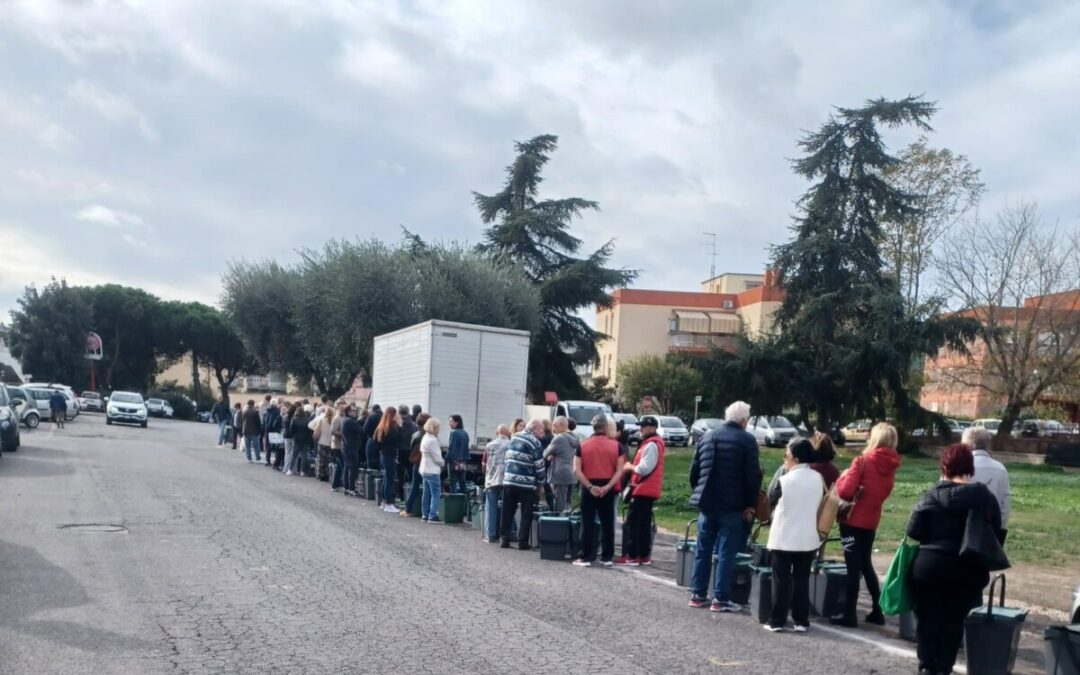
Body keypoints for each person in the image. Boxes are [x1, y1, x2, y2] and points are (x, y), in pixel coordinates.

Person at [907, 444, 1003, 675]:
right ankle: (944, 667)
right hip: (967, 567)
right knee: (954, 620)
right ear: (970, 468)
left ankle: (927, 665)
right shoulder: (985, 497)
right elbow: (996, 533)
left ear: (944, 467)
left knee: (928, 618)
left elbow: (914, 531)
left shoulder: (931, 494)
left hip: (930, 564)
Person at [688, 401, 761, 612]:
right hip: (733, 504)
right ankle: (720, 598)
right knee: (726, 552)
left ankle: (698, 593)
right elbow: (752, 476)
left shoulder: (707, 436)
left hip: (707, 502)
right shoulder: (747, 441)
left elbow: (695, 470)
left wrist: (699, 491)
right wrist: (750, 504)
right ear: (744, 420)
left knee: (703, 549)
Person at [829, 422, 901, 627]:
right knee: (866, 564)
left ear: (874, 439)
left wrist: (843, 477)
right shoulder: (891, 466)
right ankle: (877, 610)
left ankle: (849, 613)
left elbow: (844, 492)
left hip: (852, 520)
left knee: (853, 566)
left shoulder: (862, 461)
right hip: (871, 520)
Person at [764, 438, 826, 633]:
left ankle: (777, 619)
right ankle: (801, 620)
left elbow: (770, 499)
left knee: (781, 580)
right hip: (808, 537)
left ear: (796, 459)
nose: (785, 459)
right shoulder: (817, 477)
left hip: (784, 536)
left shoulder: (784, 479)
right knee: (801, 580)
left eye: (787, 455)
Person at [572, 415, 626, 567]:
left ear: (593, 427)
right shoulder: (616, 446)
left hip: (588, 486)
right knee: (607, 523)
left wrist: (589, 486)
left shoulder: (582, 445)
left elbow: (576, 470)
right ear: (606, 427)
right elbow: (619, 470)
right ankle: (607, 557)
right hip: (607, 486)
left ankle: (585, 555)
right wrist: (608, 486)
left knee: (587, 522)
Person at [615, 415, 665, 567]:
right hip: (648, 489)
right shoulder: (653, 443)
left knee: (633, 523)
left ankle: (632, 555)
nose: (641, 429)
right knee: (643, 524)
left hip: (643, 488)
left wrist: (630, 467)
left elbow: (644, 469)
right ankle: (643, 555)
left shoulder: (650, 445)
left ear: (652, 428)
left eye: (643, 426)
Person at [500, 418, 546, 550]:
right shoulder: (535, 442)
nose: (542, 432)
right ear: (535, 428)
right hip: (526, 483)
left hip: (509, 480)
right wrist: (541, 483)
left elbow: (506, 458)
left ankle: (505, 538)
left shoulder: (513, 438)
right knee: (527, 512)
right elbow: (539, 465)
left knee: (507, 510)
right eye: (541, 429)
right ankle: (522, 541)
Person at [963, 426, 1012, 538]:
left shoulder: (958, 465)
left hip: (961, 529)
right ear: (987, 444)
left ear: (966, 445)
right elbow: (1005, 503)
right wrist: (1000, 528)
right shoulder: (1000, 468)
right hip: (991, 529)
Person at [482, 424, 512, 541]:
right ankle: (508, 533)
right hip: (507, 479)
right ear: (508, 433)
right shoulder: (511, 444)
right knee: (507, 508)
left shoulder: (489, 445)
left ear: (497, 432)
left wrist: (486, 474)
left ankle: (491, 535)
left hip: (491, 479)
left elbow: (484, 463)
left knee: (491, 507)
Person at [543, 416, 578, 512]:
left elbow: (545, 453)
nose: (553, 429)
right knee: (567, 503)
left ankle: (558, 525)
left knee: (559, 504)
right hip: (572, 473)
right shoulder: (575, 437)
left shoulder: (558, 438)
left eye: (555, 425)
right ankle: (567, 525)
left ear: (562, 425)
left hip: (560, 474)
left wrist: (551, 455)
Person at [403, 413, 431, 516]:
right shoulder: (429, 436)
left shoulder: (415, 435)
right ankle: (426, 511)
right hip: (427, 464)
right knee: (428, 487)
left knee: (414, 486)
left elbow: (411, 450)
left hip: (417, 463)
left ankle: (408, 508)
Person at [373, 406, 400, 512]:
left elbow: (376, 441)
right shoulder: (392, 428)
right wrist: (400, 425)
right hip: (390, 455)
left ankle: (384, 502)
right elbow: (398, 440)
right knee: (390, 480)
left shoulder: (381, 427)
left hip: (383, 454)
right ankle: (389, 503)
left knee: (386, 478)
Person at [419, 417, 445, 522]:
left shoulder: (425, 437)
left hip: (424, 469)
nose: (439, 429)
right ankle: (433, 515)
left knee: (426, 492)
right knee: (435, 493)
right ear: (434, 427)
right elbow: (437, 457)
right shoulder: (433, 440)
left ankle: (425, 514)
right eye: (438, 427)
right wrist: (442, 464)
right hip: (432, 470)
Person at [397, 405, 419, 500]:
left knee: (400, 476)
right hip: (410, 451)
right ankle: (409, 496)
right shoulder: (414, 425)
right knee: (410, 476)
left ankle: (401, 497)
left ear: (399, 412)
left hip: (400, 451)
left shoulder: (398, 424)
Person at [341, 404, 363, 495]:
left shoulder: (343, 419)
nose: (355, 412)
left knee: (347, 467)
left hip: (346, 446)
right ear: (348, 412)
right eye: (353, 411)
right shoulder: (350, 421)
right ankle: (351, 488)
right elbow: (361, 431)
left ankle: (347, 487)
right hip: (351, 447)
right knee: (352, 468)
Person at [310, 406, 335, 482]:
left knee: (321, 460)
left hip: (322, 441)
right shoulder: (333, 421)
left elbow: (316, 430)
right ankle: (328, 475)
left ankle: (320, 475)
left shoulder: (321, 420)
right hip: (330, 443)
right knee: (329, 459)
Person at [289, 404, 314, 476]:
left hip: (296, 439)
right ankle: (302, 471)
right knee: (304, 456)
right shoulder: (307, 420)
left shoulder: (294, 419)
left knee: (294, 455)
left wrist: (294, 435)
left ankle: (290, 470)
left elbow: (291, 430)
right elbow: (310, 430)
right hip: (305, 439)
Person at [447, 414, 470, 494]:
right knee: (462, 482)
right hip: (463, 461)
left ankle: (453, 501)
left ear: (457, 422)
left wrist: (445, 460)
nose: (449, 423)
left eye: (451, 421)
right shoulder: (465, 433)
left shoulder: (454, 433)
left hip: (454, 462)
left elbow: (451, 449)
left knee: (453, 483)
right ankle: (464, 501)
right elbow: (466, 449)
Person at [329, 401, 346, 491]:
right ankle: (342, 484)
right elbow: (332, 431)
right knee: (343, 465)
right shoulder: (336, 419)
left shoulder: (343, 417)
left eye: (344, 408)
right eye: (341, 408)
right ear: (337, 409)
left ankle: (335, 485)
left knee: (339, 466)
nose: (343, 410)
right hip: (337, 445)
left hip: (341, 445)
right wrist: (343, 434)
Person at [263, 402, 283, 468]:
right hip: (275, 430)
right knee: (277, 446)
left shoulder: (267, 411)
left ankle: (267, 460)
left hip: (267, 430)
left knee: (267, 446)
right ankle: (275, 461)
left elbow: (264, 421)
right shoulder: (277, 411)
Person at [363, 404, 383, 471]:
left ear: (373, 410)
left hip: (372, 441)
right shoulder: (385, 417)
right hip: (383, 442)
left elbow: (365, 430)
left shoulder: (371, 417)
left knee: (371, 462)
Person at [281, 403, 298, 474]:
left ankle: (285, 468)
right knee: (294, 454)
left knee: (287, 453)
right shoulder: (295, 418)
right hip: (293, 436)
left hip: (286, 436)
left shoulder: (285, 417)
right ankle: (293, 469)